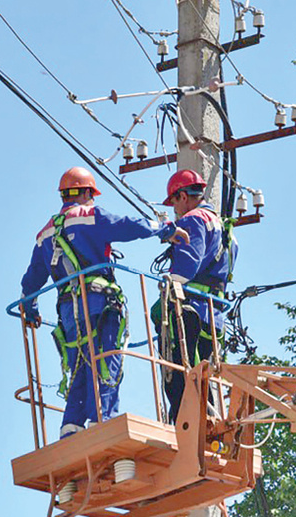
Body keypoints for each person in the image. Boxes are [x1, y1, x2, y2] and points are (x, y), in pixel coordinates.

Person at [20, 166, 188, 438]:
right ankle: (103, 422)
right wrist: (164, 230)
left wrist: (31, 310)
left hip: (68, 313)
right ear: (87, 192)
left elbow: (30, 282)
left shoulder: (45, 234)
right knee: (106, 361)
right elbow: (128, 225)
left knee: (77, 366)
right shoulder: (90, 216)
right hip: (100, 304)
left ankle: (71, 428)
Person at [154, 169, 238, 422]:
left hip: (188, 311)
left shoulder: (193, 220)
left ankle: (185, 430)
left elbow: (186, 266)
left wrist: (167, 291)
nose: (176, 211)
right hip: (213, 316)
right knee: (204, 377)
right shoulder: (225, 229)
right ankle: (207, 427)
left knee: (180, 378)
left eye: (175, 203)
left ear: (182, 196)